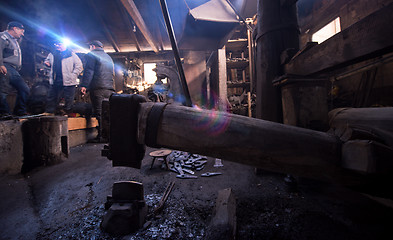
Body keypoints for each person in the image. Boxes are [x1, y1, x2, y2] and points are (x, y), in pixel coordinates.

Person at [79, 40, 115, 141]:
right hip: (109, 88)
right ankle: (109, 135)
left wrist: (84, 85)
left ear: (92, 46)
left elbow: (89, 71)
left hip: (98, 87)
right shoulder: (108, 57)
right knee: (108, 112)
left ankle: (102, 136)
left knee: (99, 112)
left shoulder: (91, 55)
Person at [44, 40, 83, 115]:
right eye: (56, 44)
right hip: (55, 80)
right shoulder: (52, 54)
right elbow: (47, 60)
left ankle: (67, 113)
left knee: (69, 99)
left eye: (60, 44)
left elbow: (79, 66)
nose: (58, 46)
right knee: (52, 97)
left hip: (68, 81)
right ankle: (50, 112)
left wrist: (73, 75)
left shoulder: (72, 55)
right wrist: (47, 63)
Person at [0, 21, 30, 118]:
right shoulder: (3, 37)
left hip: (13, 69)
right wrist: (0, 64)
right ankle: (3, 112)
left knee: (24, 89)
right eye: (21, 31)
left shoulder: (14, 40)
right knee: (3, 90)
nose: (22, 33)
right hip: (5, 66)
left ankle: (20, 111)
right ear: (14, 28)